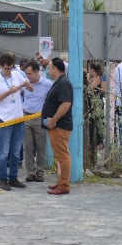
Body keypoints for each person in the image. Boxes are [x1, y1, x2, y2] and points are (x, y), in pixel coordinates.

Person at [0, 52, 28, 191]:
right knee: (3, 151)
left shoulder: (16, 74)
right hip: (5, 119)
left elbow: (28, 85)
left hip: (18, 118)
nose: (9, 71)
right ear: (1, 66)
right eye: (6, 68)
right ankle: (3, 179)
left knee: (16, 151)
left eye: (11, 68)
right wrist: (9, 92)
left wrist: (25, 84)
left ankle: (13, 177)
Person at [43, 57, 73, 195]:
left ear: (55, 69)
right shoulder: (59, 82)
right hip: (55, 126)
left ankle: (64, 185)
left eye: (50, 68)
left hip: (59, 125)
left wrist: (54, 119)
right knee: (60, 156)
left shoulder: (63, 83)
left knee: (62, 156)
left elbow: (66, 103)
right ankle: (61, 182)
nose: (49, 70)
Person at [21, 60, 53, 183]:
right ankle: (30, 172)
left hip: (40, 118)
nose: (27, 76)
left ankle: (40, 172)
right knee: (27, 146)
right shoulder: (24, 83)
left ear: (36, 72)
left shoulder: (47, 84)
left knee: (41, 146)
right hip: (26, 117)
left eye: (29, 74)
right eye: (26, 74)